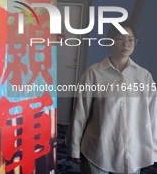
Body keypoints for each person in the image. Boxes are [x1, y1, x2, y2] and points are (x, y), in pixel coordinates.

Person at [65, 20, 157, 173]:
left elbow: (153, 116)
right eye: (120, 38)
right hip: (98, 151)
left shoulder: (144, 77)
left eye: (130, 40)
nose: (126, 44)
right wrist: (73, 146)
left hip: (132, 154)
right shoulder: (93, 73)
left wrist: (152, 151)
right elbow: (80, 113)